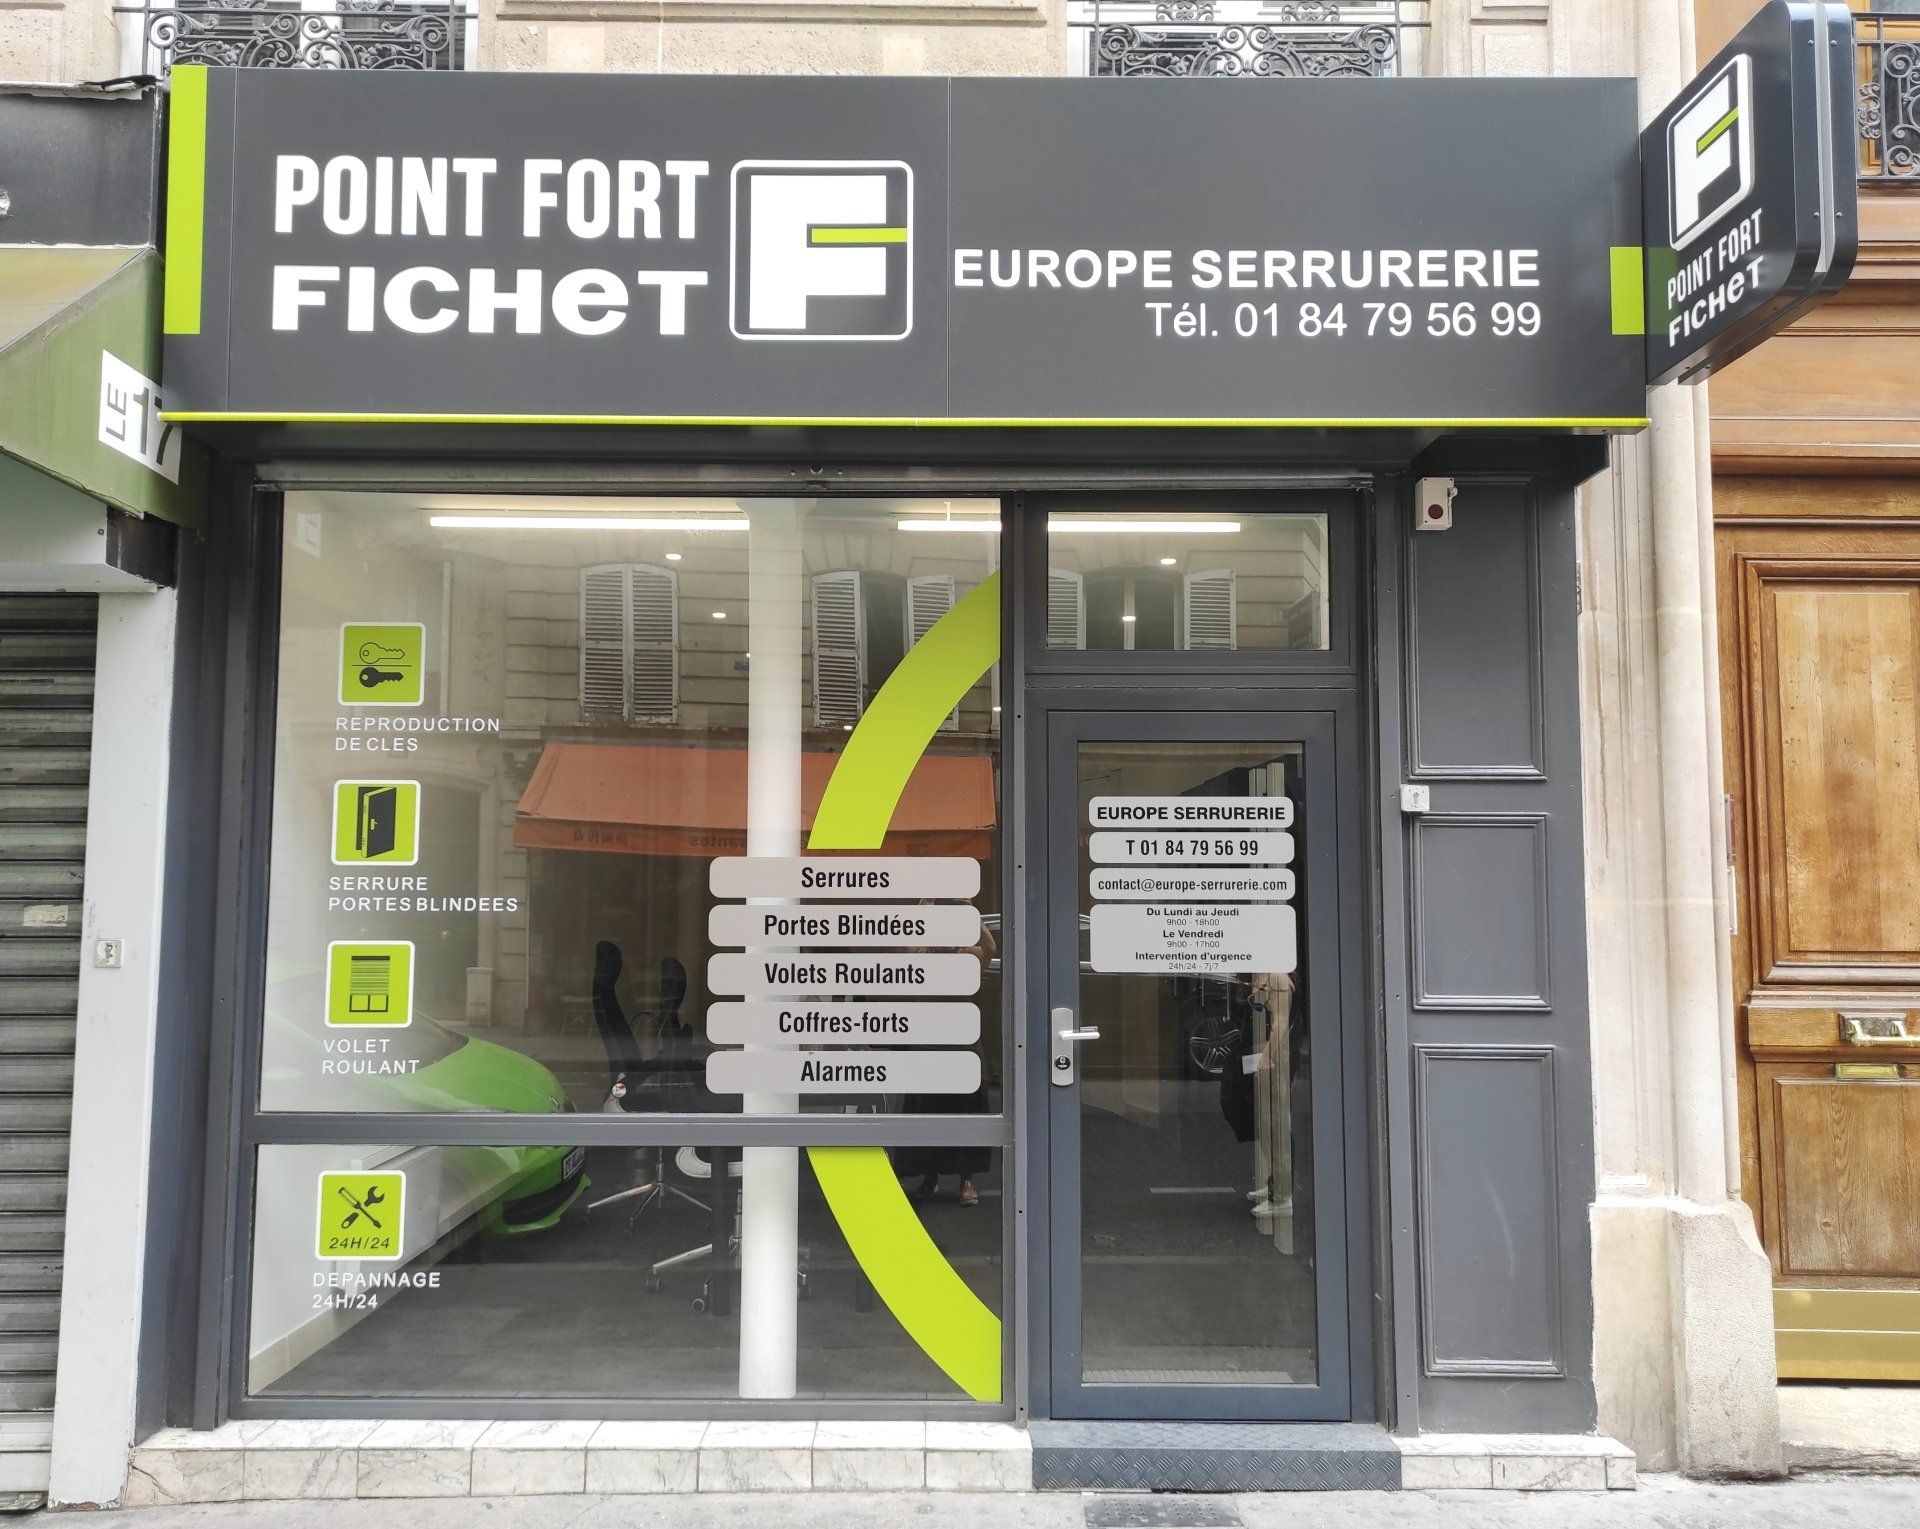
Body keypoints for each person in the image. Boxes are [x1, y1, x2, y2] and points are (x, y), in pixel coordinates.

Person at [893, 916, 997, 1206]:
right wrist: (926, 903)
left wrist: (969, 914)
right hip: (929, 1042)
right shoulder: (924, 955)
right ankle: (930, 1176)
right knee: (927, 1108)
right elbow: (905, 943)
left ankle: (967, 1180)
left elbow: (990, 947)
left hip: (963, 1042)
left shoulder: (968, 956)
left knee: (967, 1110)